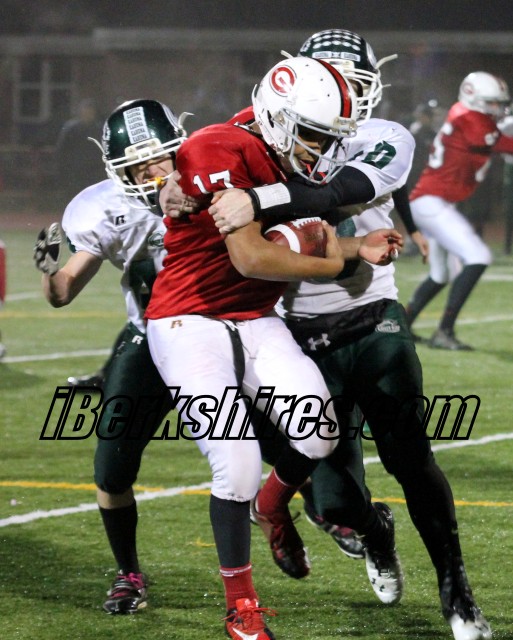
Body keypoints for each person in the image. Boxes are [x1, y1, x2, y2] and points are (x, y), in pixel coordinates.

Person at [204, 30, 492, 640]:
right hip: (299, 331)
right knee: (334, 501)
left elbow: (337, 194)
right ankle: (376, 530)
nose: (342, 100)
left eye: (352, 85)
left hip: (371, 316)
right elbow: (209, 176)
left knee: (410, 455)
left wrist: (257, 197)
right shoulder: (258, 139)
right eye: (326, 85)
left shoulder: (383, 135)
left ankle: (457, 589)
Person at [146, 56, 402, 640]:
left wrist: (355, 245)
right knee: (235, 462)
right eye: (313, 135)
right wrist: (337, 261)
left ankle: (271, 505)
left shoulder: (278, 140)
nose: (320, 149)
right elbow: (252, 257)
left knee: (319, 431)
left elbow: (300, 224)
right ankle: (241, 607)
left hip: (254, 315)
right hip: (188, 318)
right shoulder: (219, 147)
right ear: (280, 118)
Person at [34, 99, 188, 614]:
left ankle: (316, 514)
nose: (150, 173)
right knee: (111, 467)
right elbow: (62, 292)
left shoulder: (217, 181)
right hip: (150, 338)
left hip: (225, 333)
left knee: (289, 444)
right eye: (136, 165)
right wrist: (47, 268)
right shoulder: (106, 207)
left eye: (158, 158)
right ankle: (129, 575)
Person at [405, 71, 513, 350]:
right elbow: (502, 142)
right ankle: (444, 331)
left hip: (432, 202)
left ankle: (403, 326)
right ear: (473, 98)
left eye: (498, 103)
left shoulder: (464, 115)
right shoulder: (471, 119)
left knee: (441, 274)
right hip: (431, 202)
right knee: (478, 256)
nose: (496, 108)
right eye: (491, 103)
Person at [55, 98, 106, 205]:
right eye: (86, 110)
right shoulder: (71, 128)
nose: (88, 113)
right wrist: (63, 166)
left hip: (94, 168)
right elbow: (62, 148)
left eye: (90, 111)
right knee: (75, 196)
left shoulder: (99, 128)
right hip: (75, 168)